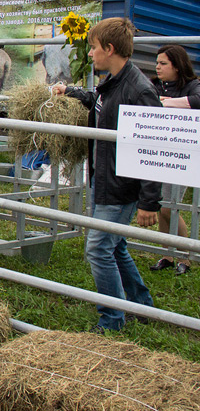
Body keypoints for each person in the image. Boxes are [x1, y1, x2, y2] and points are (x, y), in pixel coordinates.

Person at [52, 17, 160, 333]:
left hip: (121, 187)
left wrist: (149, 202)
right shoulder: (113, 82)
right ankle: (141, 306)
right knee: (115, 246)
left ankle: (112, 320)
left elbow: (151, 148)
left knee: (98, 248)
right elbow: (99, 104)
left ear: (109, 49)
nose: (91, 54)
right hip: (104, 179)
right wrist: (70, 92)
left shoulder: (140, 91)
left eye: (94, 48)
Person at [148, 44, 200, 275]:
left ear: (177, 67)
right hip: (159, 152)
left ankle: (187, 257)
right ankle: (167, 256)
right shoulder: (154, 84)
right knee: (162, 206)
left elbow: (197, 101)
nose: (157, 67)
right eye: (157, 62)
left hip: (183, 155)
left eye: (163, 63)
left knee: (171, 207)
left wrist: (165, 102)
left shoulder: (193, 86)